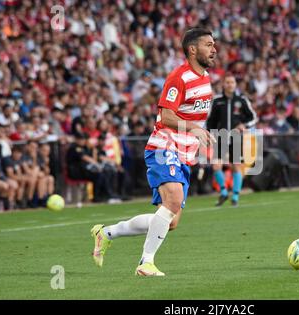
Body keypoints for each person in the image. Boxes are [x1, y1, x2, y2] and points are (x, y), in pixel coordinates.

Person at [90, 28, 217, 276]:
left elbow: (192, 115)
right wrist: (193, 128)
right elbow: (167, 116)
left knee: (169, 221)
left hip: (184, 153)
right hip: (163, 146)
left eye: (214, 45)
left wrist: (198, 134)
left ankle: (105, 233)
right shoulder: (178, 77)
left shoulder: (205, 78)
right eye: (208, 45)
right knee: (172, 200)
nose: (214, 49)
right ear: (192, 49)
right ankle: (145, 263)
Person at [206, 74, 257, 206]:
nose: (230, 85)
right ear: (224, 84)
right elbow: (210, 121)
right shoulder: (217, 101)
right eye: (227, 82)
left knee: (236, 166)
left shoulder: (242, 100)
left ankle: (235, 196)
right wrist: (210, 135)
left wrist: (244, 125)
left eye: (232, 82)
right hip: (221, 136)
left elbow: (253, 117)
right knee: (216, 165)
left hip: (235, 137)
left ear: (235, 85)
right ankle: (223, 192)